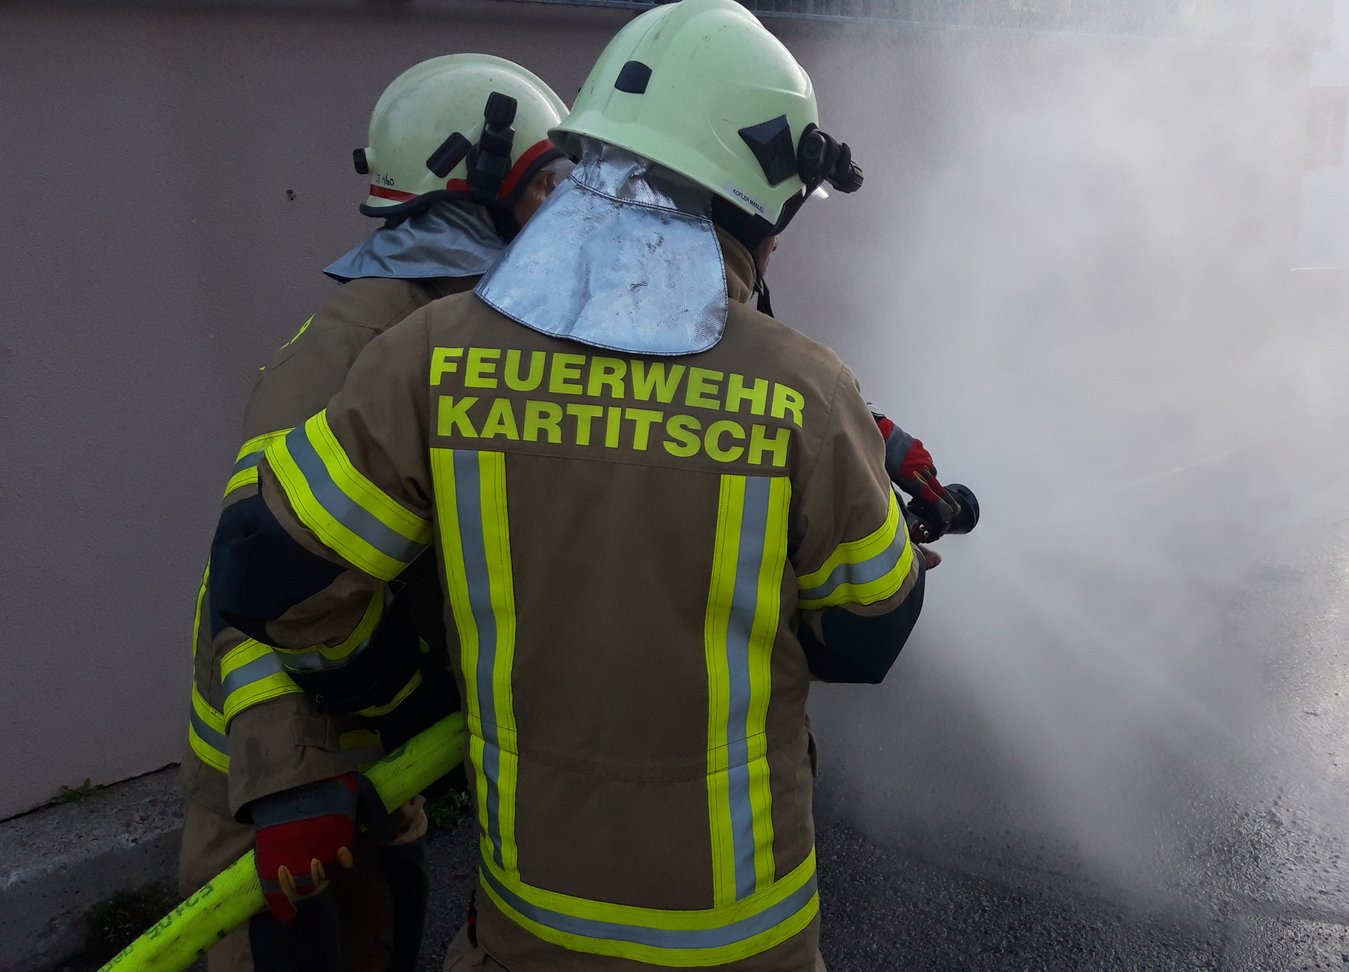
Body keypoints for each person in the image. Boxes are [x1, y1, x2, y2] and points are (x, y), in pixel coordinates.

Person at [206, 3, 927, 969]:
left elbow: (268, 577)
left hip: (529, 925)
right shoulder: (803, 389)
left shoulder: (426, 355)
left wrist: (400, 687)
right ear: (751, 203)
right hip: (742, 937)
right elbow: (869, 628)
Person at [178, 53, 570, 971]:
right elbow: (256, 570)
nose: (563, 207)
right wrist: (290, 783)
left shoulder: (479, 327)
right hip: (268, 794)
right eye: (547, 181)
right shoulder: (353, 347)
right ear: (480, 184)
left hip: (380, 753)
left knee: (386, 926)